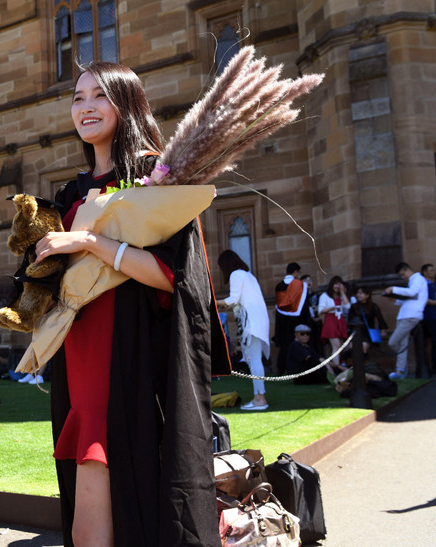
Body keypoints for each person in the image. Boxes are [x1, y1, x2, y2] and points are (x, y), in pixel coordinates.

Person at [33, 62, 230, 546]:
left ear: (125, 103)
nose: (85, 107)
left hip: (127, 350)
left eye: (98, 96)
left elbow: (174, 277)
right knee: (90, 485)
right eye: (77, 98)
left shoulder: (154, 177)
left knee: (105, 484)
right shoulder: (71, 193)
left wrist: (91, 242)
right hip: (77, 351)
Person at [218, 250, 271, 410]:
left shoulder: (236, 274)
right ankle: (259, 397)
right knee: (252, 359)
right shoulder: (248, 275)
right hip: (257, 321)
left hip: (251, 323)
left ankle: (260, 399)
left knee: (254, 360)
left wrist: (212, 301)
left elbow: (232, 299)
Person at [384, 262, 428, 379]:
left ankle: (402, 369)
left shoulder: (418, 279)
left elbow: (411, 293)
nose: (403, 277)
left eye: (403, 274)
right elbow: (411, 299)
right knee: (402, 344)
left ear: (408, 269)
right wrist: (394, 300)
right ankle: (400, 371)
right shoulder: (413, 281)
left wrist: (393, 288)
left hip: (410, 316)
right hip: (405, 315)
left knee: (393, 342)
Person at [273, 263, 310, 374]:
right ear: (295, 272)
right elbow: (304, 305)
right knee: (296, 343)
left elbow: (279, 305)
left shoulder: (279, 286)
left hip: (282, 319)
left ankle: (281, 368)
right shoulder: (300, 285)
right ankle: (294, 368)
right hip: (296, 319)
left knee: (284, 344)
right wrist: (307, 322)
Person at [317, 276, 350, 374]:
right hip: (330, 320)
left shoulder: (341, 296)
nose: (337, 286)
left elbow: (348, 307)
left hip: (340, 321)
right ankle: (337, 370)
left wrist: (343, 293)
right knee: (336, 346)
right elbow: (320, 310)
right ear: (332, 285)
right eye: (335, 283)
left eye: (339, 283)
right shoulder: (325, 296)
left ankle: (338, 365)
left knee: (342, 346)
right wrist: (331, 308)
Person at [347, 287, 388, 355]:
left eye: (361, 293)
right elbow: (350, 320)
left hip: (368, 333)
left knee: (364, 347)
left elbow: (380, 319)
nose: (358, 295)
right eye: (357, 293)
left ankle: (364, 364)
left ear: (367, 295)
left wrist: (383, 330)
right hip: (356, 333)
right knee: (352, 347)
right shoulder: (354, 307)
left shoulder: (373, 306)